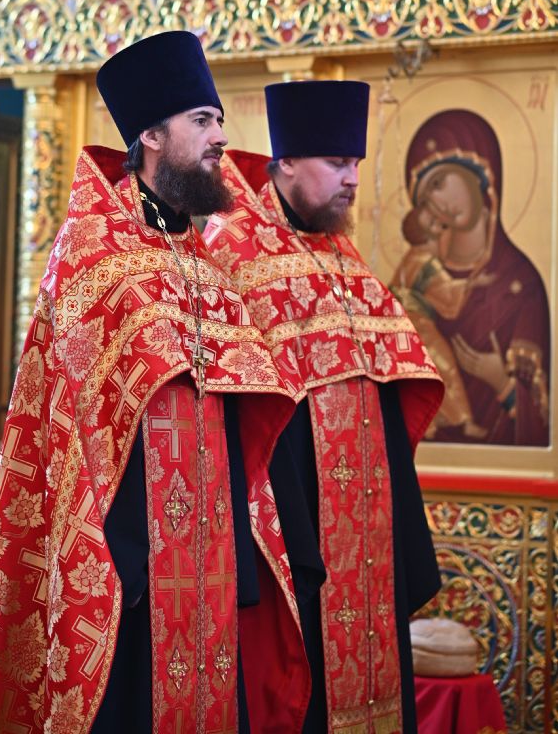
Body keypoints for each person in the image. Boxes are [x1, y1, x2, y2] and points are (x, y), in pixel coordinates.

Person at [0, 31, 309, 734]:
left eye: (218, 120)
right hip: (127, 578)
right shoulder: (92, 254)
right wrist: (128, 560)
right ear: (150, 134)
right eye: (202, 120)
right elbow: (75, 430)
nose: (221, 137)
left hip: (214, 567)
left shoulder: (205, 264)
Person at [204, 80, 444, 734]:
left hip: (367, 535)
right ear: (285, 162)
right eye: (337, 163)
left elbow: (393, 381)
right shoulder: (233, 249)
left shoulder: (342, 255)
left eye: (356, 164)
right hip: (295, 527)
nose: (352, 179)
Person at [402, 109, 550, 446]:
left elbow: (541, 422)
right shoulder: (420, 273)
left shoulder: (521, 285)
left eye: (439, 183)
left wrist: (501, 382)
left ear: (480, 172)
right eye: (425, 198)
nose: (437, 202)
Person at [389, 204, 491, 439]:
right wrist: (472, 283)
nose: (439, 227)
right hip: (418, 325)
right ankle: (464, 421)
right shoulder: (426, 261)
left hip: (402, 325)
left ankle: (429, 425)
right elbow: (446, 291)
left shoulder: (410, 257)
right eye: (433, 223)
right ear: (424, 232)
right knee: (446, 368)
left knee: (419, 374)